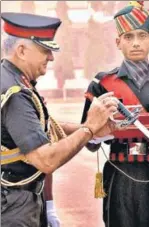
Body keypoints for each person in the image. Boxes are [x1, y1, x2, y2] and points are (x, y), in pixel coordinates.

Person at [1, 12, 119, 227]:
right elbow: (46, 160)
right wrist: (89, 128)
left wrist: (88, 129)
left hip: (18, 200)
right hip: (12, 207)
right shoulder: (15, 92)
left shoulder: (14, 80)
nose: (51, 57)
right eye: (45, 50)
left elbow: (45, 128)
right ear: (21, 51)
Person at [81, 1, 149, 227]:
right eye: (128, 37)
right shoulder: (102, 83)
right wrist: (105, 131)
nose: (136, 43)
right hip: (120, 174)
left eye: (142, 35)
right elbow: (88, 140)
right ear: (118, 42)